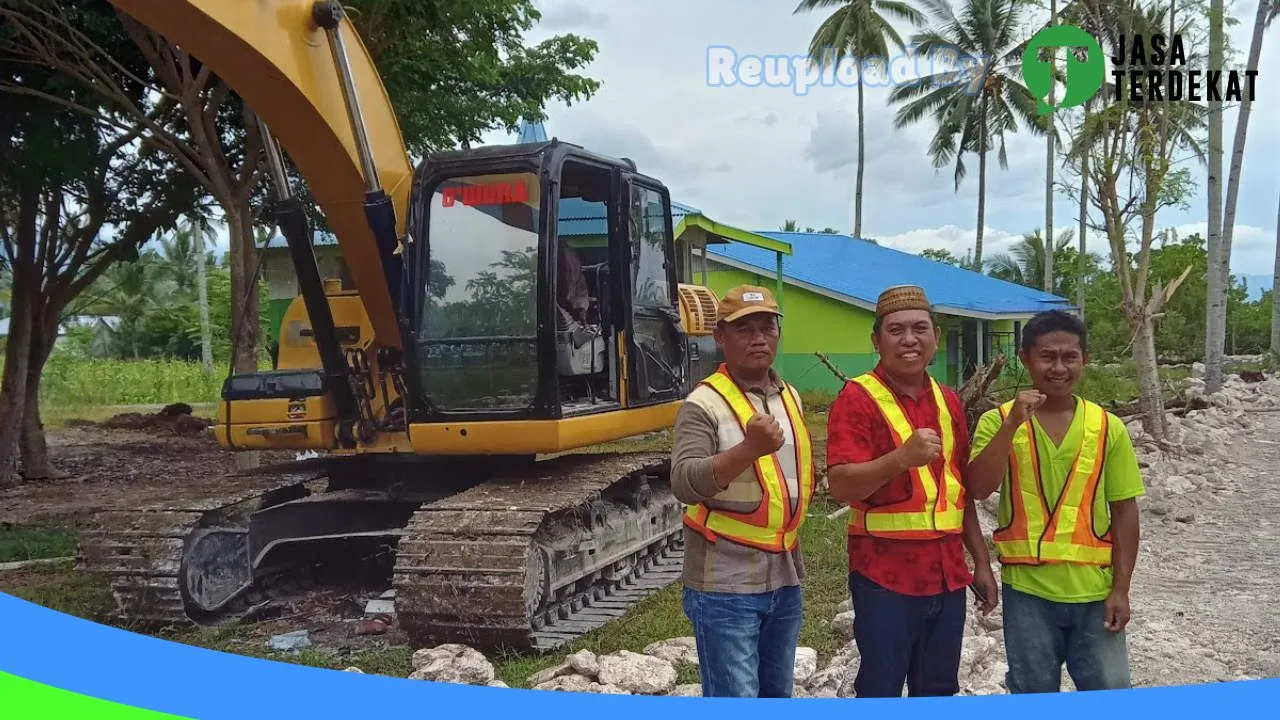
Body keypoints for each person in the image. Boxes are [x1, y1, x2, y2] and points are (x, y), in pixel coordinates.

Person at [825, 284, 998, 698]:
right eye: (896, 330)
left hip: (947, 575)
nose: (909, 340)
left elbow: (957, 493)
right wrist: (899, 459)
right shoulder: (857, 398)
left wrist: (982, 563)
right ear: (876, 341)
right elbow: (841, 486)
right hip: (884, 577)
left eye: (920, 329)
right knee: (881, 686)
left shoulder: (948, 401)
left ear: (935, 337)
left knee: (938, 688)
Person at [966, 310, 1143, 693]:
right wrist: (1012, 424)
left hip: (1095, 592)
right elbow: (978, 488)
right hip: (1027, 592)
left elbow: (1125, 511)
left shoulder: (1107, 427)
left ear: (1085, 360)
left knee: (1109, 694)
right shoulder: (999, 422)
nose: (1059, 367)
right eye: (1047, 356)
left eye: (1070, 357)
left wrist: (1121, 589)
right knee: (1033, 693)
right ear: (1025, 358)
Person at [670, 284, 817, 698]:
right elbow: (683, 480)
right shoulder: (703, 404)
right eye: (744, 329)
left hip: (785, 576)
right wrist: (748, 449)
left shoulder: (790, 398)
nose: (759, 337)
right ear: (720, 337)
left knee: (776, 695)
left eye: (768, 327)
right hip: (724, 584)